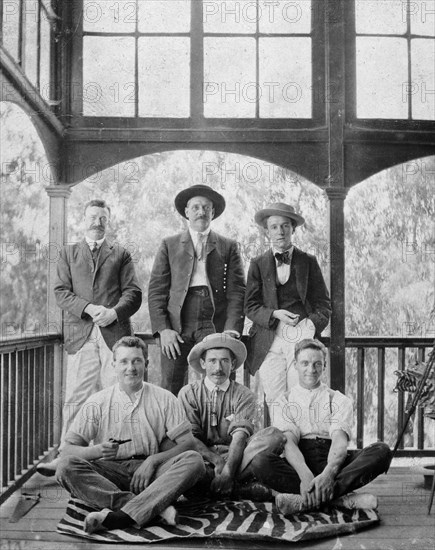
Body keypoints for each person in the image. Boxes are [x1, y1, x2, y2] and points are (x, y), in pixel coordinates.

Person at [55, 336, 205, 534]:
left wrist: (152, 460)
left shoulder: (165, 398)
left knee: (194, 461)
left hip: (152, 475)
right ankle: (150, 508)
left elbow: (189, 445)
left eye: (137, 361)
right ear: (114, 365)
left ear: (147, 364)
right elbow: (67, 451)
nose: (131, 368)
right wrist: (97, 450)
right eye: (124, 361)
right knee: (65, 467)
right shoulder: (97, 401)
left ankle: (120, 517)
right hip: (109, 475)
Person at [38, 199, 142, 476]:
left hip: (114, 335)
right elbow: (60, 292)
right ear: (82, 220)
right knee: (76, 395)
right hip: (80, 334)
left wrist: (114, 313)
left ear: (108, 222)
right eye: (92, 217)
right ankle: (65, 456)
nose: (97, 222)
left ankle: (112, 459)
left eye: (102, 218)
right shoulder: (68, 253)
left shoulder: (120, 254)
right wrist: (87, 308)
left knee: (116, 394)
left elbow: (134, 294)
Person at [248, 339, 392, 514]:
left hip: (332, 458)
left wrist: (328, 475)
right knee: (259, 461)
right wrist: (304, 475)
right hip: (298, 461)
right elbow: (289, 443)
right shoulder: (282, 402)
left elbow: (339, 441)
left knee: (382, 451)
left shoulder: (339, 400)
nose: (311, 369)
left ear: (324, 366)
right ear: (295, 365)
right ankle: (340, 500)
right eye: (305, 363)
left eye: (317, 364)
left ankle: (307, 500)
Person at [148, 184, 245, 395]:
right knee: (170, 385)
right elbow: (156, 290)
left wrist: (231, 328)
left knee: (221, 380)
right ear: (186, 212)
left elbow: (237, 291)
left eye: (206, 208)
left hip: (215, 319)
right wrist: (163, 329)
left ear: (213, 212)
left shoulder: (228, 246)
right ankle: (173, 429)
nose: (201, 212)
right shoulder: (169, 244)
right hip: (178, 323)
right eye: (196, 207)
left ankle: (223, 428)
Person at [244, 202, 331, 404]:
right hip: (269, 340)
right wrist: (274, 314)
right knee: (275, 399)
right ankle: (282, 435)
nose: (280, 231)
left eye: (285, 226)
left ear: (293, 229)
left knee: (302, 395)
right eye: (274, 227)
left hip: (301, 339)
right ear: (267, 232)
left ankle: (303, 436)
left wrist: (309, 325)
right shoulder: (257, 264)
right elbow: (250, 306)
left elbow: (324, 305)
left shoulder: (308, 261)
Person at [178, 333, 262, 498]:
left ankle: (218, 485)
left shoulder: (244, 394)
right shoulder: (188, 393)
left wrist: (228, 471)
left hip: (237, 458)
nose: (218, 368)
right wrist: (216, 460)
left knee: (269, 439)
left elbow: (240, 437)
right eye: (212, 361)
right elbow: (189, 437)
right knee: (183, 460)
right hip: (203, 457)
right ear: (203, 363)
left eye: (225, 361)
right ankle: (239, 489)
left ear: (233, 364)